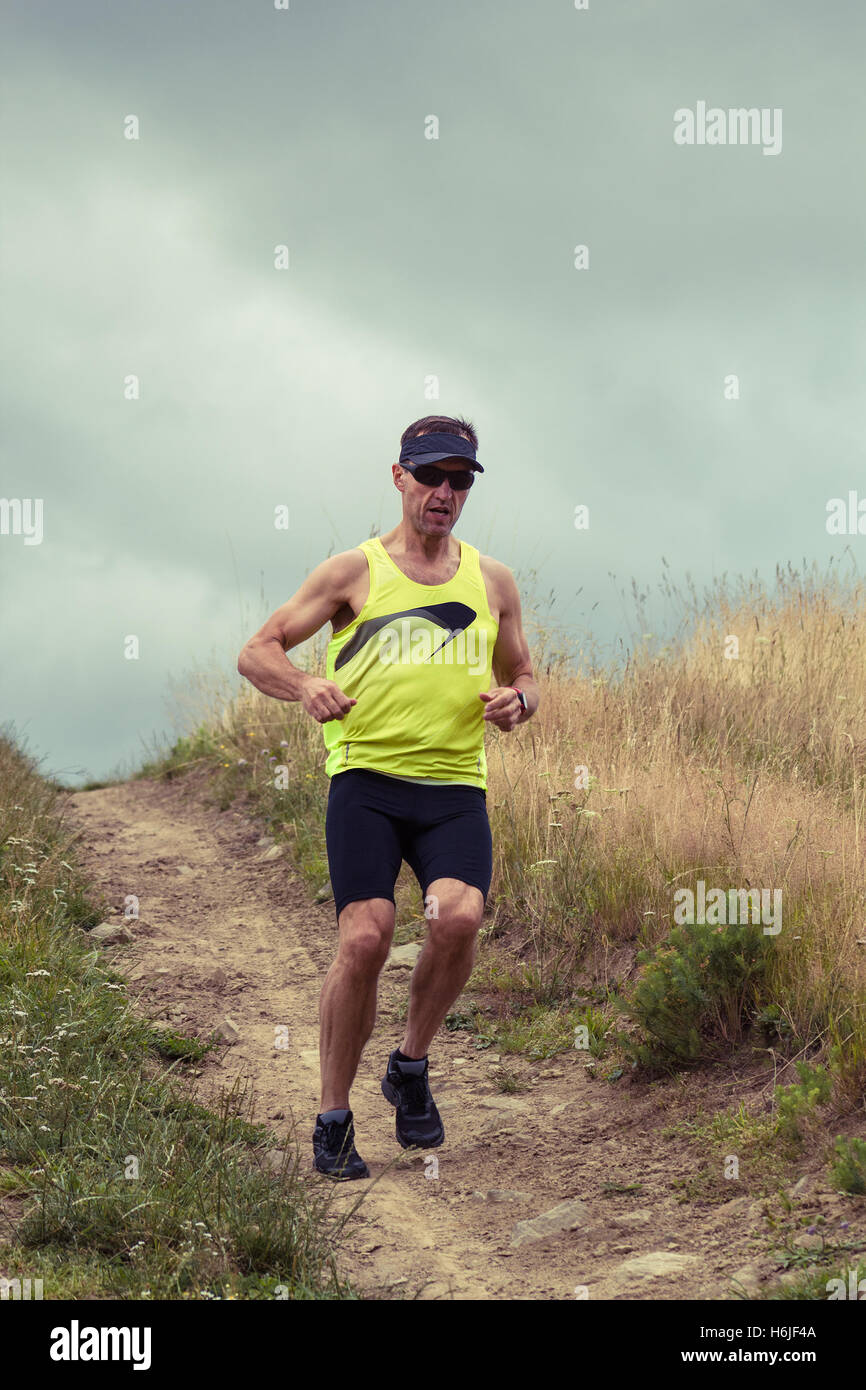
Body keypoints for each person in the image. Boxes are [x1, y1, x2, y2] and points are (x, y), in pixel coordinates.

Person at [237, 415, 538, 1178]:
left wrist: (519, 704)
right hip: (367, 782)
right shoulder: (352, 572)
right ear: (398, 477)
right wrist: (306, 684)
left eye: (460, 480)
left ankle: (409, 1065)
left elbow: (525, 675)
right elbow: (257, 650)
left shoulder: (492, 580)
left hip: (452, 789)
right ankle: (333, 1118)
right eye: (431, 476)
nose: (444, 493)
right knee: (366, 939)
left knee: (459, 916)